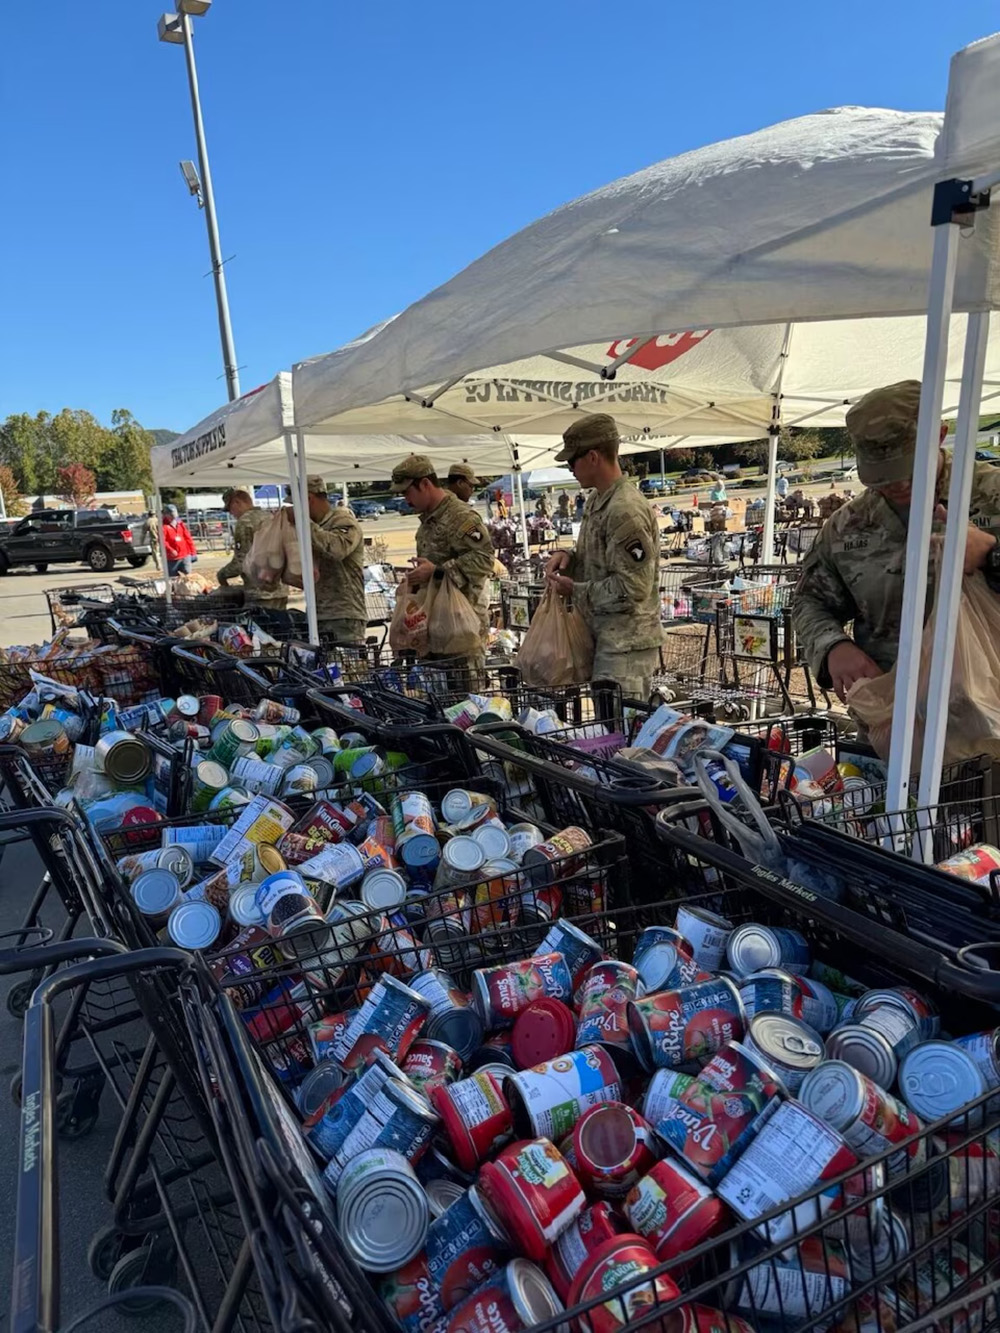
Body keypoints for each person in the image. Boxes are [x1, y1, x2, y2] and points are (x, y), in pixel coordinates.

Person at [793, 379, 1000, 703]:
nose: (898, 483)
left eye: (908, 468)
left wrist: (992, 555)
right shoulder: (847, 525)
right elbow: (810, 600)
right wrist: (833, 646)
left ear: (941, 435)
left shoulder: (992, 495)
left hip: (989, 716)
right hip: (892, 718)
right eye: (881, 475)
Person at [545, 414, 664, 697]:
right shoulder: (599, 499)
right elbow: (602, 557)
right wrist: (569, 558)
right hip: (608, 638)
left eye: (573, 461)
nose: (570, 468)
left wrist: (575, 590)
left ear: (594, 457)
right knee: (609, 728)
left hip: (626, 645)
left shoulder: (624, 509)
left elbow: (633, 587)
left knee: (622, 733)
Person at [391, 453, 493, 674]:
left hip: (461, 630)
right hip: (436, 628)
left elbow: (485, 559)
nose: (406, 500)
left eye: (407, 492)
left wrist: (438, 571)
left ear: (425, 484)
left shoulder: (461, 517)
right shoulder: (428, 519)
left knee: (465, 699)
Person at [290, 476, 366, 644]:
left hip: (342, 614)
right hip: (319, 613)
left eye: (296, 503)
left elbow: (337, 549)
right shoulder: (316, 525)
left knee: (347, 668)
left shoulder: (342, 520)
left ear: (308, 499)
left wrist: (303, 523)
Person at [216, 487, 289, 610]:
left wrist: (222, 575)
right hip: (280, 588)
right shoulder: (269, 517)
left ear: (237, 503)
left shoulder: (245, 522)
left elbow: (241, 561)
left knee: (260, 626)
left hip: (260, 591)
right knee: (280, 626)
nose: (232, 514)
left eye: (230, 509)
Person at [445, 462, 491, 638]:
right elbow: (484, 557)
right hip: (468, 602)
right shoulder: (462, 515)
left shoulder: (447, 511)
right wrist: (440, 572)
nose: (472, 490)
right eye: (470, 485)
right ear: (459, 483)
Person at [162, 505, 197, 576]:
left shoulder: (179, 522)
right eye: (171, 515)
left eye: (174, 515)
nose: (173, 518)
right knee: (173, 578)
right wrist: (171, 550)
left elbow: (188, 537)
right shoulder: (163, 526)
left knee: (188, 575)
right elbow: (162, 541)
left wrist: (193, 552)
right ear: (166, 515)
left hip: (185, 555)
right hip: (172, 558)